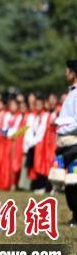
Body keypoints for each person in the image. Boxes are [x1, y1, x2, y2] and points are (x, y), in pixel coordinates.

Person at [54, 60, 77, 226]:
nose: (65, 73)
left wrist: (61, 128)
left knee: (74, 181)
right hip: (65, 143)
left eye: (67, 71)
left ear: (74, 73)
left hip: (74, 142)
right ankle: (75, 214)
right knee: (69, 182)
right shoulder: (71, 93)